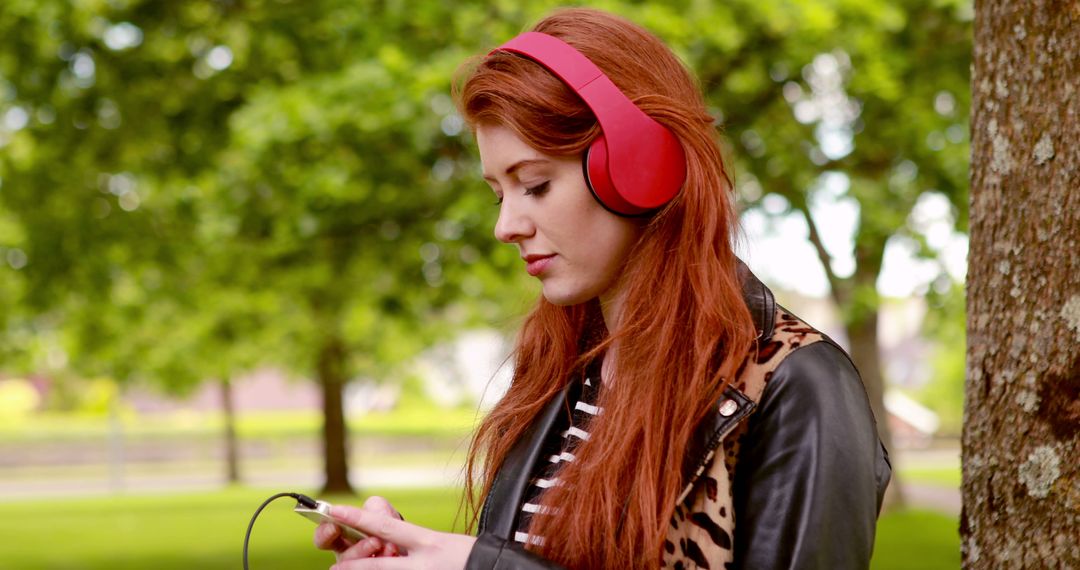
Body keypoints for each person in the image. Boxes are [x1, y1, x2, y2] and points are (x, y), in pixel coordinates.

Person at [314, 7, 891, 569]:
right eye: (499, 193)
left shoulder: (796, 386)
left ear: (642, 168)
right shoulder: (559, 371)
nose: (505, 225)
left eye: (535, 185)